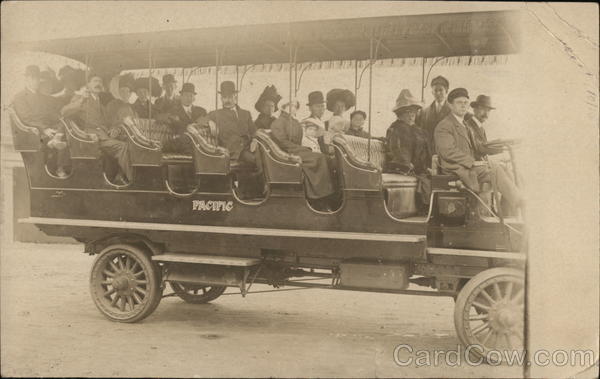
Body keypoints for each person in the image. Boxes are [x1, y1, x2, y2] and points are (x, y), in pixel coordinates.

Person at [434, 88, 523, 211]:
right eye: (459, 102)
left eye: (465, 102)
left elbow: (477, 148)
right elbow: (448, 152)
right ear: (450, 105)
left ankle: (508, 213)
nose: (463, 106)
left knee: (503, 168)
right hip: (455, 168)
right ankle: (520, 203)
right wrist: (472, 162)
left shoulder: (464, 125)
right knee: (495, 170)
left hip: (467, 166)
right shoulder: (444, 125)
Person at [61, 73, 132, 184]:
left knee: (127, 140)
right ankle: (130, 180)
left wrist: (115, 127)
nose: (98, 84)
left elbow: (108, 121)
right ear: (88, 84)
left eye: (100, 82)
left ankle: (120, 175)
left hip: (103, 136)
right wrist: (81, 99)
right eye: (95, 81)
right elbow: (64, 112)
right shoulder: (81, 98)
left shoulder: (98, 101)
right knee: (122, 146)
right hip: (90, 139)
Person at [271, 100, 335, 210]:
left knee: (326, 158)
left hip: (296, 150)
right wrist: (301, 148)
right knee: (318, 158)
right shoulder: (278, 122)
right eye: (291, 106)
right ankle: (317, 197)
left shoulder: (294, 121)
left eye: (295, 106)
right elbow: (282, 143)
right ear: (283, 107)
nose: (294, 108)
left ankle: (326, 195)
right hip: (287, 152)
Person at [12, 65, 71, 178]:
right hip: (34, 132)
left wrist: (60, 119)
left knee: (65, 122)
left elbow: (50, 113)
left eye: (37, 78)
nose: (35, 81)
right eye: (32, 78)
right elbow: (26, 118)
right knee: (58, 134)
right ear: (26, 79)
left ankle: (56, 140)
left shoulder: (42, 97)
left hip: (49, 128)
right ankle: (60, 167)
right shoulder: (19, 97)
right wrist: (45, 129)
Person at [385, 89, 432, 206]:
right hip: (403, 167)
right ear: (400, 114)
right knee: (426, 181)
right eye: (407, 112)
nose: (411, 115)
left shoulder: (419, 131)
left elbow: (427, 150)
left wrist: (429, 166)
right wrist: (408, 165)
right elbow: (397, 150)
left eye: (414, 112)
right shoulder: (396, 129)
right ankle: (424, 207)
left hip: (421, 168)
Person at [208, 81, 256, 164]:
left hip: (249, 147)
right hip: (233, 151)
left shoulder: (245, 113)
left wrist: (255, 140)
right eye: (224, 97)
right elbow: (199, 120)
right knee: (256, 160)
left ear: (235, 97)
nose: (227, 100)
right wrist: (209, 121)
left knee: (265, 157)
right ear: (221, 99)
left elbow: (254, 131)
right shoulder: (215, 114)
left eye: (230, 97)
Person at [162, 83, 207, 154]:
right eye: (186, 95)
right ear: (181, 96)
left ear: (194, 98)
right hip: (180, 145)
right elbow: (174, 124)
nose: (188, 98)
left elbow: (205, 121)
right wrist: (187, 126)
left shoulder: (201, 111)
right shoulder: (173, 111)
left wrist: (210, 121)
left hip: (198, 146)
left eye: (191, 96)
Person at [465, 95, 503, 161]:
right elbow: (479, 148)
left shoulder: (480, 127)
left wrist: (498, 143)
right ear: (474, 110)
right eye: (482, 109)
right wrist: (501, 147)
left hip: (482, 164)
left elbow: (483, 146)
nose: (486, 114)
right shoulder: (468, 126)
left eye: (488, 110)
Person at [417, 75, 451, 150]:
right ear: (432, 92)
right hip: (429, 153)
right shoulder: (425, 112)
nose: (438, 93)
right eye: (435, 90)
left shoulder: (453, 111)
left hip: (447, 152)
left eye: (441, 90)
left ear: (446, 91)